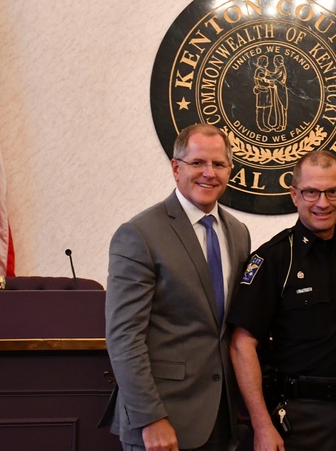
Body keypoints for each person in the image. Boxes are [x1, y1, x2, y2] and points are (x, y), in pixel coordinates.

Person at [228, 151, 336, 451]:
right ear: (294, 195)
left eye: (333, 191)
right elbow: (241, 344)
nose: (323, 203)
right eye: (311, 192)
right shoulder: (273, 258)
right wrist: (261, 425)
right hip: (300, 418)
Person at [105, 124, 251, 451]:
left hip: (221, 419)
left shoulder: (238, 233)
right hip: (161, 422)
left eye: (218, 164)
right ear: (176, 167)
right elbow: (124, 336)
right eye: (198, 163)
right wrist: (150, 418)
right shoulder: (139, 234)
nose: (209, 173)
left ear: (230, 170)